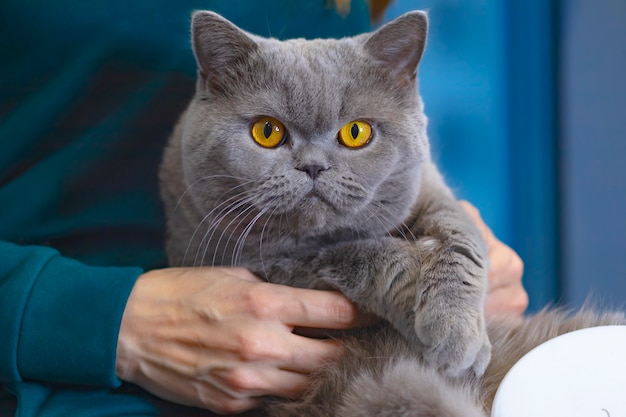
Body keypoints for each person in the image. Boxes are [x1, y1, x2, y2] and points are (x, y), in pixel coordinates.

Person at [0, 1, 527, 416]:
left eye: (352, 135)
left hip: (362, 364)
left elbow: (395, 133)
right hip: (70, 378)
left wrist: (459, 252)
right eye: (269, 132)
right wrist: (109, 321)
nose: (315, 166)